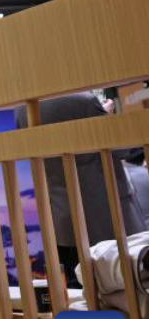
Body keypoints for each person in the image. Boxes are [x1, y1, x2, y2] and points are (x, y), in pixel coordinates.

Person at [15, 92, 148, 287]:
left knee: (80, 289)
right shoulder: (86, 101)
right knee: (127, 286)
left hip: (62, 219)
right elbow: (123, 149)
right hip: (107, 213)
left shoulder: (22, 110)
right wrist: (108, 115)